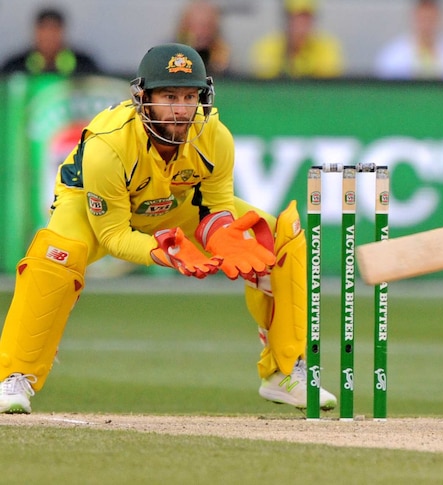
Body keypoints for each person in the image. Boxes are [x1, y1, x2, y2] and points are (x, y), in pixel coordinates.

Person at [0, 43, 337, 415]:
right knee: (56, 256)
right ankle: (14, 376)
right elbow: (113, 235)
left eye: (190, 96)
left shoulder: (214, 135)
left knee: (278, 236)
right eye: (170, 96)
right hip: (92, 209)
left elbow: (216, 206)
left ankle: (285, 372)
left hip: (176, 203)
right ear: (143, 98)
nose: (181, 109)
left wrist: (223, 235)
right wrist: (164, 252)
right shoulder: (107, 147)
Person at [374, 0, 443, 81]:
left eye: (431, 15)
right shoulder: (392, 56)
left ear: (440, 16)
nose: (427, 22)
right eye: (423, 16)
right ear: (414, 16)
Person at [249, 0, 343, 79]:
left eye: (307, 17)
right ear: (286, 19)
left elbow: (328, 81)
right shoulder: (267, 45)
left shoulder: (327, 46)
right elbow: (264, 81)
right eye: (296, 17)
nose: (302, 24)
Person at [1, 7, 100, 76]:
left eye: (54, 30)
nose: (49, 37)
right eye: (44, 30)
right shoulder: (15, 65)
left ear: (63, 31)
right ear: (35, 32)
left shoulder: (84, 64)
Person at [175, 0, 231, 77]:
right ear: (185, 26)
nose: (201, 33)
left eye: (207, 26)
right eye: (196, 26)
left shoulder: (220, 53)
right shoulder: (172, 51)